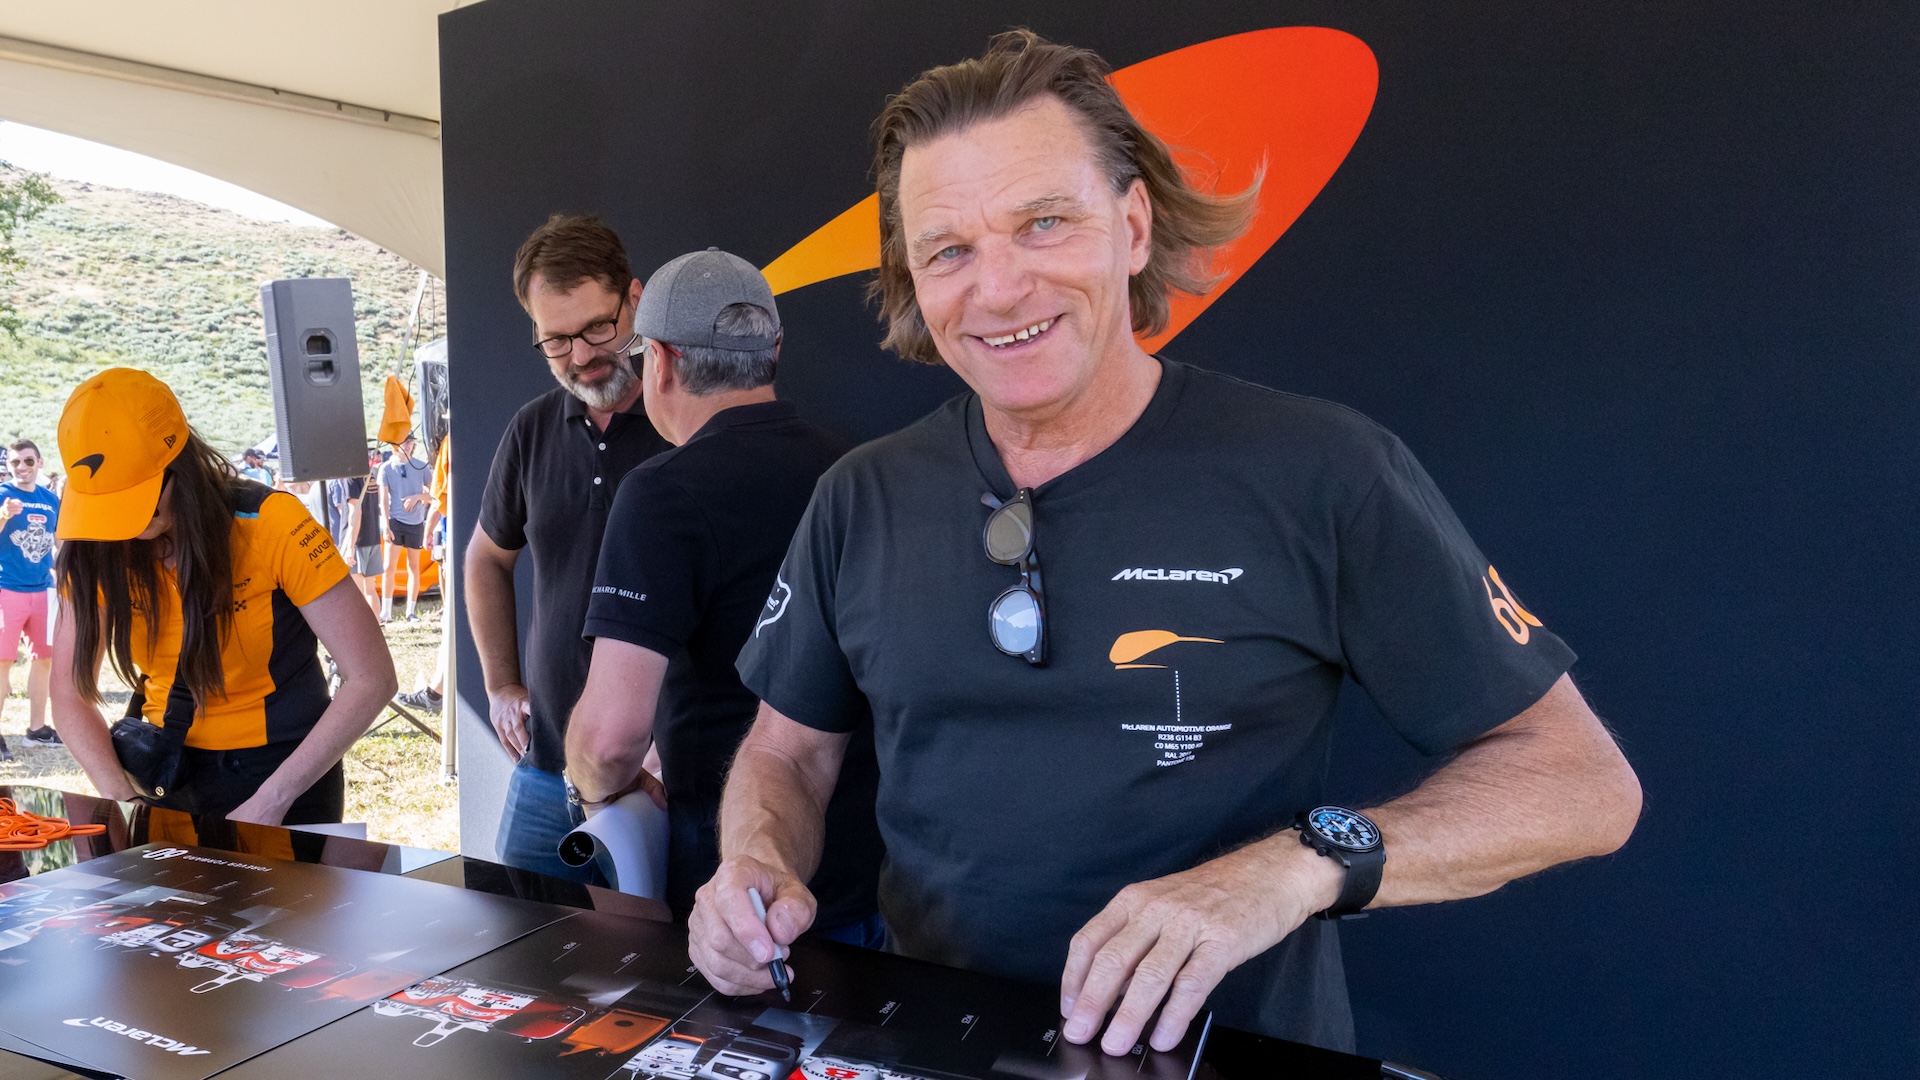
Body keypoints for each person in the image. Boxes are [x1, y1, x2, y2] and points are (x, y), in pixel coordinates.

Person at [688, 31, 1643, 1056]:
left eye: (1043, 223)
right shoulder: (860, 497)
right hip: (936, 1046)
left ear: (1133, 226)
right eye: (948, 251)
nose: (998, 289)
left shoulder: (1321, 470)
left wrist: (1299, 865)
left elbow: (1581, 783)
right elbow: (787, 751)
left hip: (1227, 1056)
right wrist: (754, 863)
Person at [565, 249, 883, 938]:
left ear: (660, 362)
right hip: (865, 870)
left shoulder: (661, 493)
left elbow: (611, 737)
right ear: (773, 350)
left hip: (732, 896)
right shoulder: (857, 473)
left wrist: (586, 785)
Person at [50, 368, 398, 825]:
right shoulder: (92, 548)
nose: (124, 525)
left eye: (135, 500)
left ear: (180, 468)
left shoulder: (272, 522)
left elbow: (371, 678)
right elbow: (68, 691)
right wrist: (122, 797)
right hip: (166, 769)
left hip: (284, 775)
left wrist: (272, 800)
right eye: (106, 506)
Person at [467, 214, 670, 881]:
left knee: (658, 948)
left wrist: (671, 748)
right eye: (555, 340)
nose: (580, 357)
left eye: (596, 329)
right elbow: (485, 558)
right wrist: (500, 684)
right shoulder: (531, 428)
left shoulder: (686, 424)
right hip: (544, 772)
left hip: (660, 781)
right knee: (519, 936)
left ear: (635, 301)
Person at [0, 438, 62, 759]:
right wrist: (3, 516)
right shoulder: (2, 495)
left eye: (27, 461)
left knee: (44, 660)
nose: (21, 467)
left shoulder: (50, 499)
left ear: (39, 462)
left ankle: (37, 730)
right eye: (15, 462)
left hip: (43, 590)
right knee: (2, 662)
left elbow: (60, 540)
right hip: (6, 589)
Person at [378, 434, 432, 623]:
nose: (408, 445)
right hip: (395, 521)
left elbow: (434, 494)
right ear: (395, 444)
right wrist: (386, 525)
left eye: (410, 441)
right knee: (388, 567)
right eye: (404, 441)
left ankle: (411, 611)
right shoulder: (386, 468)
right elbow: (383, 499)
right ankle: (386, 612)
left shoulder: (421, 466)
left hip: (415, 522)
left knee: (414, 566)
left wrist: (417, 497)